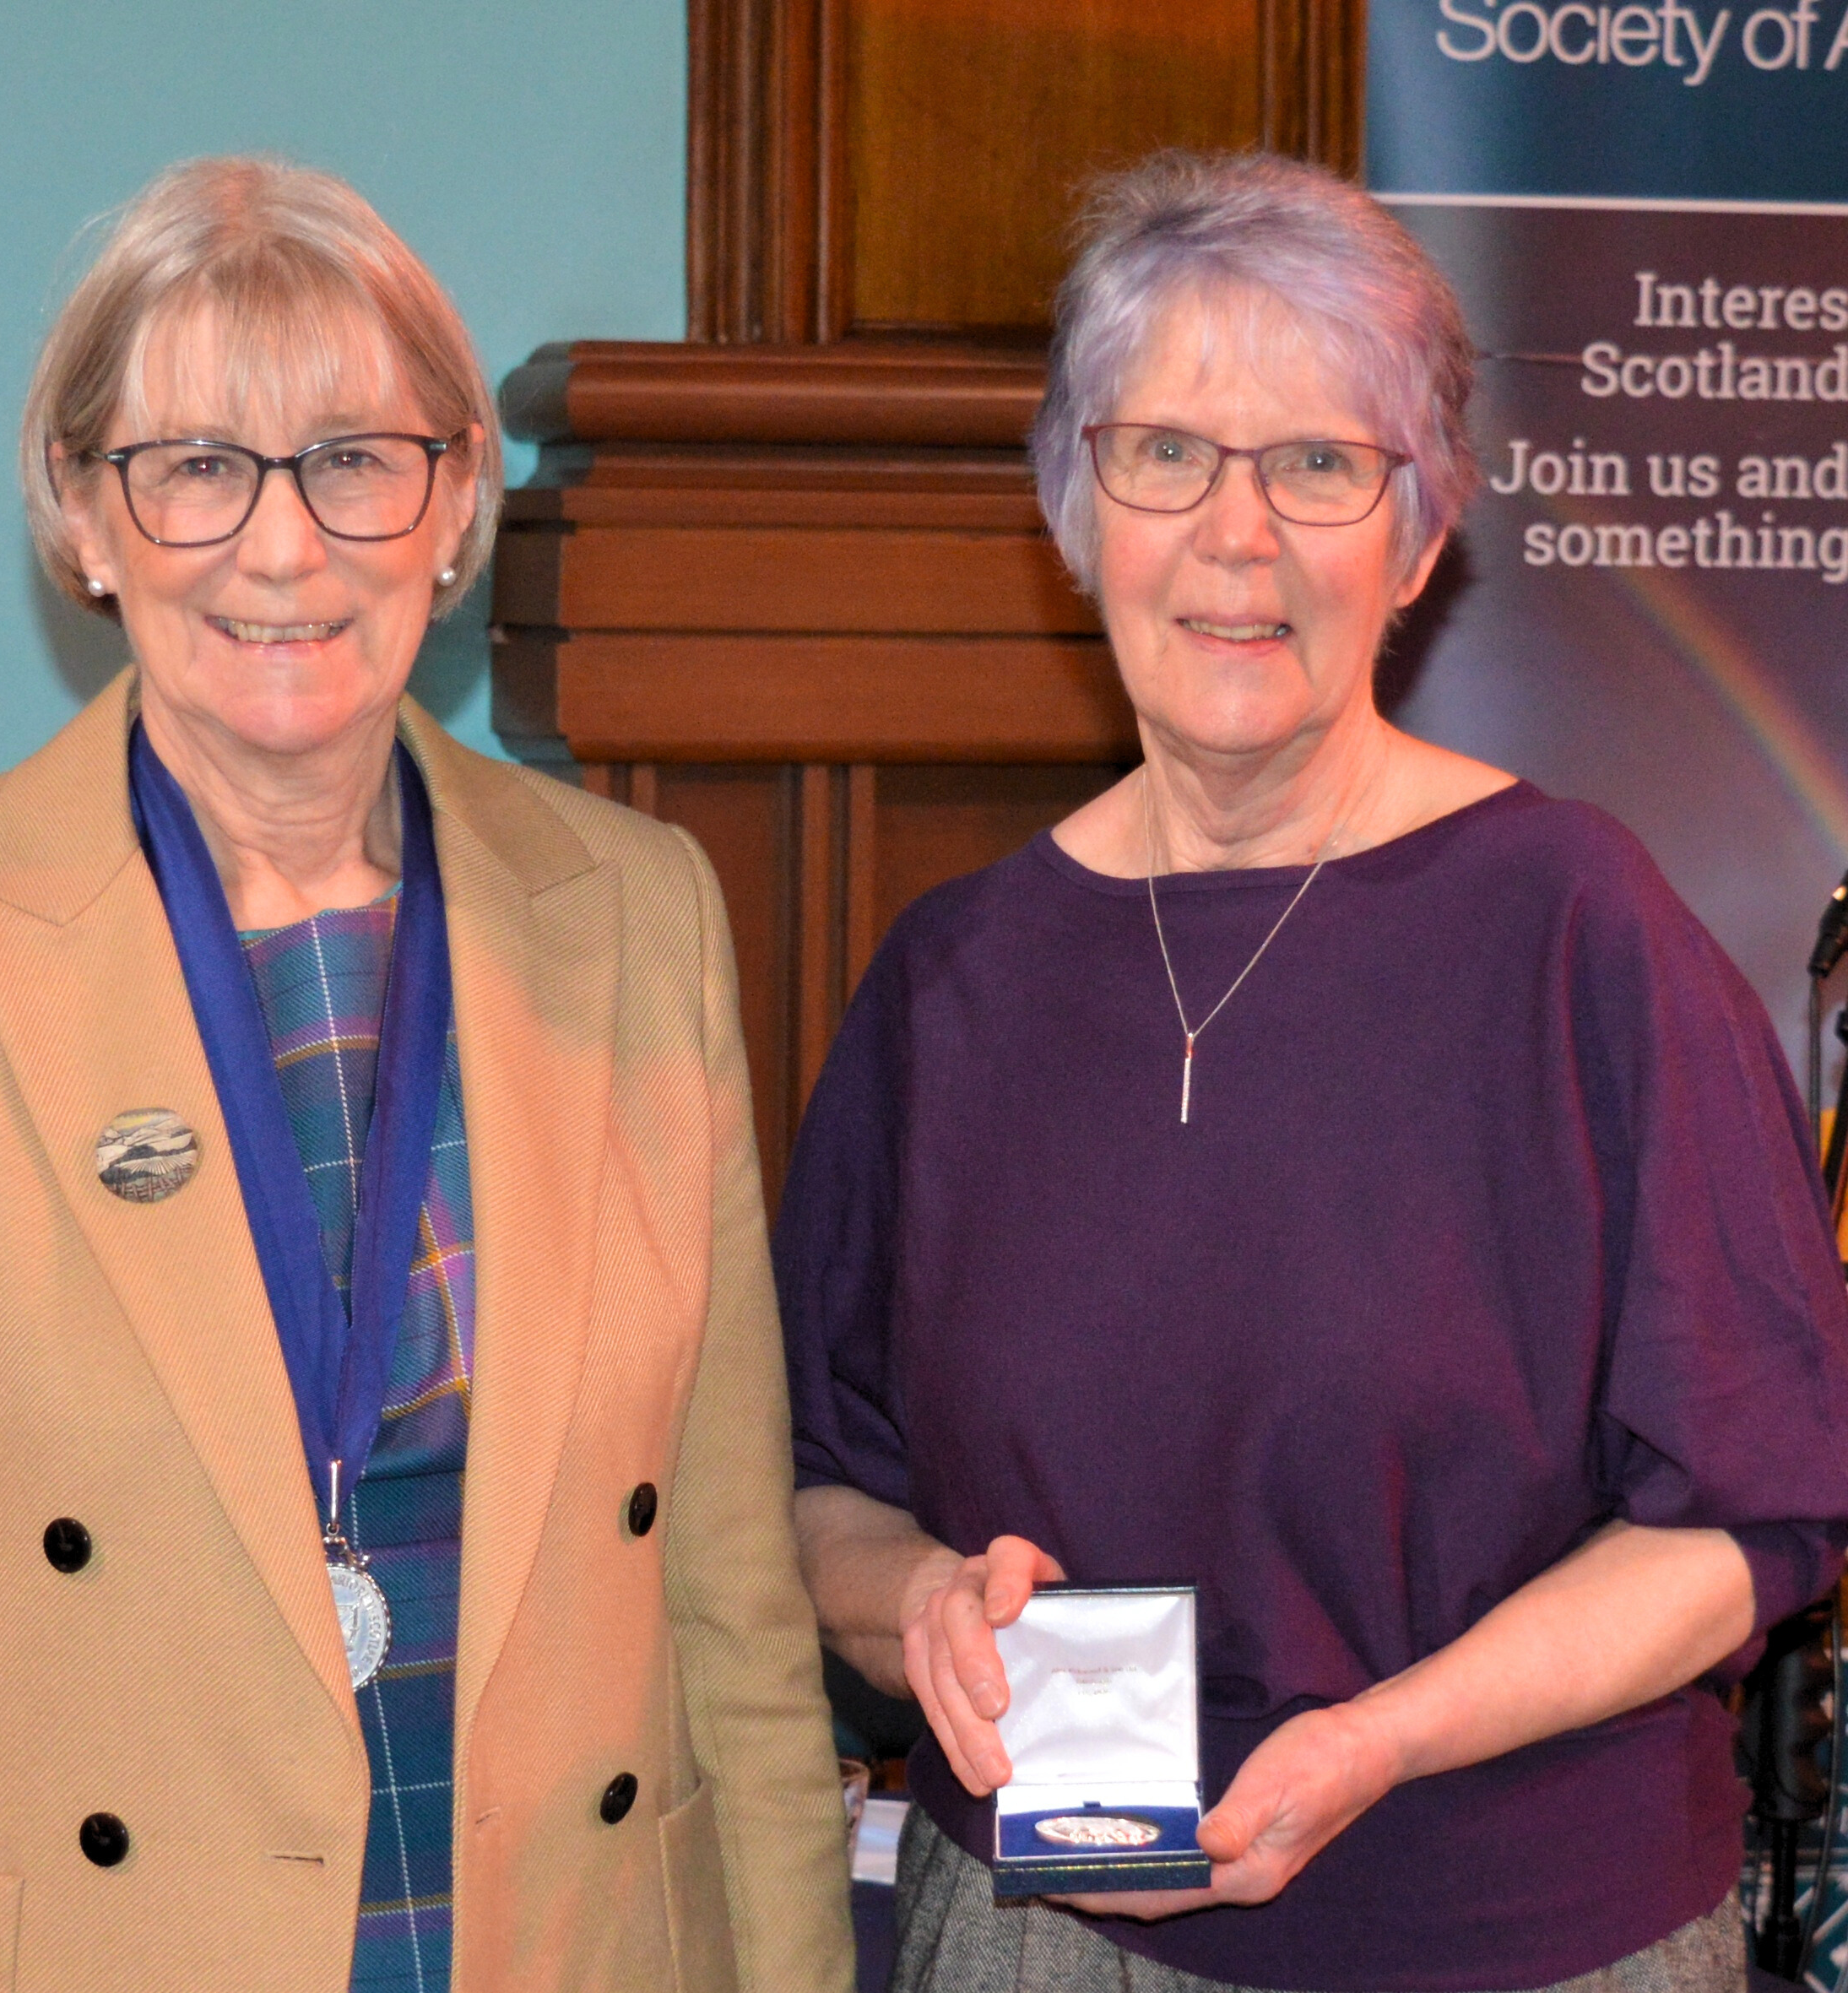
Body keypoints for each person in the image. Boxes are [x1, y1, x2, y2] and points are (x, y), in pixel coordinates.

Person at [0, 155, 852, 1993]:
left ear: (456, 502)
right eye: (195, 466)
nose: (283, 545)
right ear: (84, 513)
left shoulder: (635, 909)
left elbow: (731, 1600)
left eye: (353, 459)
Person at [777, 150, 1848, 1993]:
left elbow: (1749, 1515)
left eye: (1317, 465)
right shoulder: (949, 982)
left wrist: (1383, 1740)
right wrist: (921, 1603)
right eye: (1167, 454)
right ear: (1075, 509)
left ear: (1416, 536)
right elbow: (811, 1493)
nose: (1234, 533)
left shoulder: (1576, 931)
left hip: (1511, 1939)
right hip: (1032, 1936)